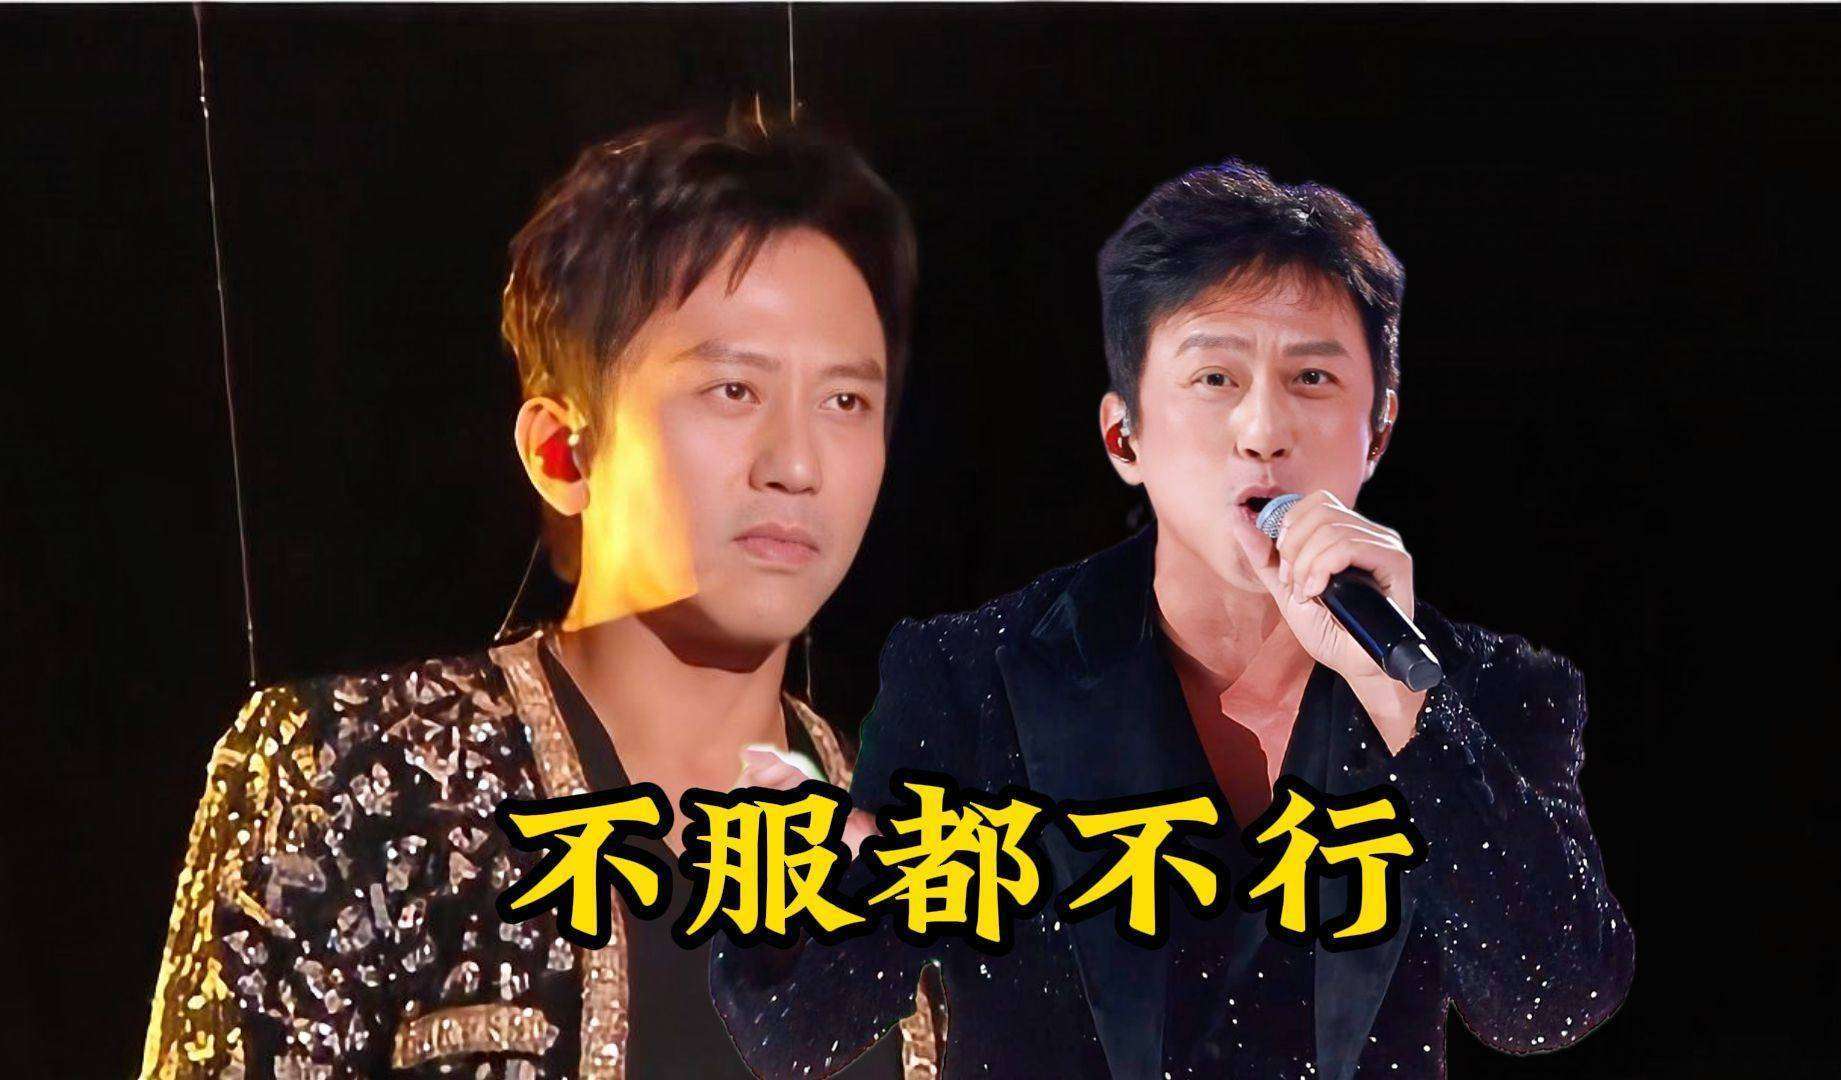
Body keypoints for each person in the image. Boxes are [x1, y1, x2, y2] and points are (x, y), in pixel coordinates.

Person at [713, 160, 1634, 1079]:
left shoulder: (1485, 690)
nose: (1262, 430)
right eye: (1215, 377)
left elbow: (1550, 999)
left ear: (1379, 429)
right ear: (1126, 436)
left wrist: (1401, 699)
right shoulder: (971, 677)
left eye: (1312, 377)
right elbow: (796, 1033)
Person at [141, 108, 942, 1079]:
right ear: (564, 452)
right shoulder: (356, 778)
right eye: (734, 389)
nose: (798, 464)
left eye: (846, 401)